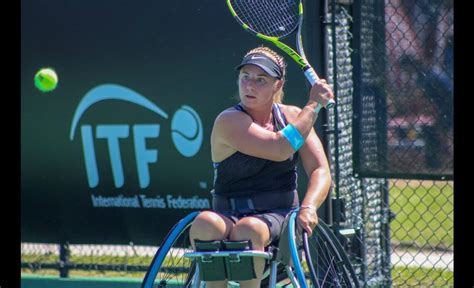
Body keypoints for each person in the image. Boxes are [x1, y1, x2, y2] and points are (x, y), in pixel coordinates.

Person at [189, 46, 334, 288]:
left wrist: (309, 207)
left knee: (249, 228)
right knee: (205, 223)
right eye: (245, 77)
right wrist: (314, 105)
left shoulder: (293, 117)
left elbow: (320, 169)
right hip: (228, 214)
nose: (250, 86)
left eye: (261, 80)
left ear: (277, 86)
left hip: (279, 218)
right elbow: (279, 149)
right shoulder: (229, 121)